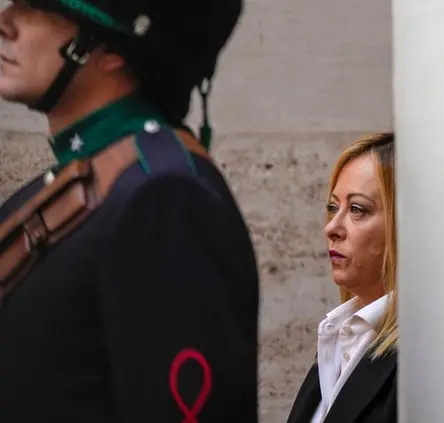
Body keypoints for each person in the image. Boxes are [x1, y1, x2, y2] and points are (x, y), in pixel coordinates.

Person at [0, 0, 259, 421]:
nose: (5, 21)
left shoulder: (166, 197)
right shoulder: (81, 183)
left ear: (113, 50)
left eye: (36, 5)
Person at [286, 132, 397, 423]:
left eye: (357, 209)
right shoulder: (337, 337)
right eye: (334, 208)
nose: (332, 228)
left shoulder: (422, 362)